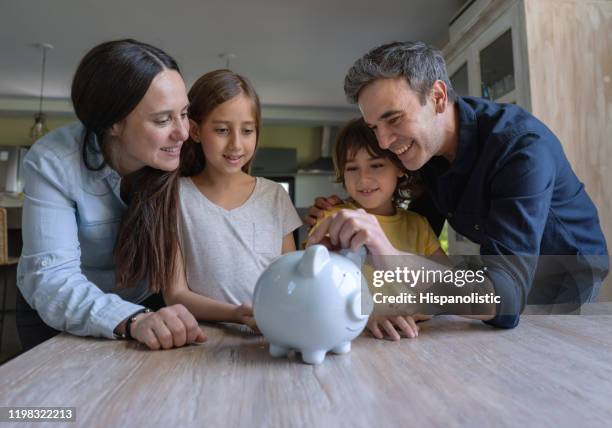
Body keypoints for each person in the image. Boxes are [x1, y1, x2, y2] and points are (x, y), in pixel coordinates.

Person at [307, 41, 609, 328]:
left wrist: (390, 257)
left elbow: (504, 298)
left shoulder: (519, 148)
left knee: (541, 360)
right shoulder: (423, 151)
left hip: (564, 266)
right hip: (502, 271)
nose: (384, 141)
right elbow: (416, 232)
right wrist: (351, 217)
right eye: (375, 128)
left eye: (395, 119)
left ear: (438, 97)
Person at [16, 39, 206, 351]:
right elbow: (52, 279)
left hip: (149, 307)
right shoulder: (53, 161)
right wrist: (132, 320)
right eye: (162, 119)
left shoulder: (181, 152)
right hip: (58, 312)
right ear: (112, 123)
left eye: (184, 113)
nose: (183, 133)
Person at [162, 69, 302, 331]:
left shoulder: (275, 196)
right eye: (223, 130)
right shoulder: (174, 198)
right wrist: (237, 314)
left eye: (247, 130)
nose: (236, 144)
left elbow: (290, 277)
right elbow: (175, 294)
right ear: (194, 130)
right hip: (202, 341)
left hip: (271, 335)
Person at [309, 117, 441, 340]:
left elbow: (451, 289)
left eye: (376, 165)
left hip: (416, 338)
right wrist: (367, 316)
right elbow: (315, 292)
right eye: (352, 168)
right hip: (353, 340)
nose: (363, 178)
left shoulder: (418, 225)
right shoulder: (334, 219)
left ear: (399, 167)